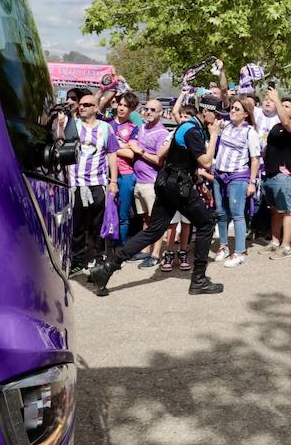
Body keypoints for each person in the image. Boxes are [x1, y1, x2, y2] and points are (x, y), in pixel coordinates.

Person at [89, 95, 225, 296]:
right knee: (206, 224)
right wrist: (214, 136)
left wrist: (197, 181)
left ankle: (108, 267)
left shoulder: (187, 127)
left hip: (166, 183)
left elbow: (180, 159)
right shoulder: (193, 130)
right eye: (218, 115)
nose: (220, 121)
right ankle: (198, 280)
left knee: (154, 231)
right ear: (206, 111)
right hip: (177, 187)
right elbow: (206, 162)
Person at [67, 91, 119, 275]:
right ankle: (77, 262)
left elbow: (112, 154)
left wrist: (113, 181)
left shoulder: (106, 128)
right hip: (76, 184)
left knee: (98, 225)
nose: (82, 107)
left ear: (96, 108)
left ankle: (98, 259)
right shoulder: (72, 125)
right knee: (77, 226)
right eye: (80, 104)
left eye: (87, 104)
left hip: (98, 183)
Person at [209, 98, 261, 267]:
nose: (232, 111)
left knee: (237, 213)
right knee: (221, 212)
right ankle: (223, 246)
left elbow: (255, 159)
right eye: (232, 108)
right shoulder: (225, 126)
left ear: (246, 113)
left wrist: (252, 182)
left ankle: (238, 252)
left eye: (237, 109)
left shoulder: (250, 132)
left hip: (238, 176)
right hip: (219, 174)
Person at [130, 99, 172, 268]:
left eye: (153, 109)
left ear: (161, 112)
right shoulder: (141, 128)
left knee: (157, 221)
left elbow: (159, 160)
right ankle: (146, 249)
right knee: (146, 219)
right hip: (139, 181)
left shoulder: (162, 133)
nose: (148, 112)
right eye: (146, 109)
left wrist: (139, 151)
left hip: (151, 182)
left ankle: (156, 254)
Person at [263, 97, 291, 259]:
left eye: (287, 106)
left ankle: (286, 246)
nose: (282, 108)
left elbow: (286, 122)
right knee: (274, 211)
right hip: (270, 174)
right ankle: (275, 242)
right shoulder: (275, 126)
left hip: (284, 176)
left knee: (286, 211)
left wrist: (276, 99)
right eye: (282, 105)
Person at [110, 91, 141, 246]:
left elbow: (131, 154)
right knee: (107, 213)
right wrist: (121, 146)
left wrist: (111, 148)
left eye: (126, 106)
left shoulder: (134, 129)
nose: (121, 108)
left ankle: (119, 250)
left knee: (123, 214)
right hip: (106, 174)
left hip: (126, 174)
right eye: (120, 104)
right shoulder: (106, 124)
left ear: (132, 109)